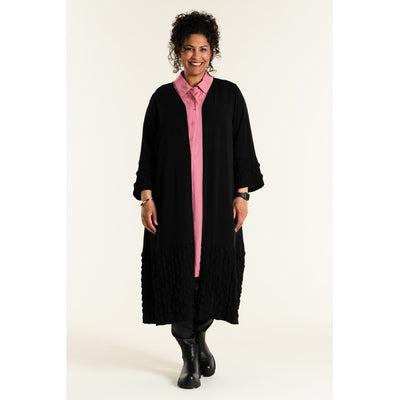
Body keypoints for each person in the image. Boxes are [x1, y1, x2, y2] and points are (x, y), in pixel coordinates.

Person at [133, 10, 264, 389]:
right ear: (178, 50)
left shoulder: (229, 96)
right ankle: (188, 353)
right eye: (189, 48)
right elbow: (148, 153)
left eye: (203, 49)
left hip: (217, 207)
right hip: (172, 208)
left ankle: (200, 337)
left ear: (212, 51)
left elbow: (243, 149)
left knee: (210, 277)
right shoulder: (162, 99)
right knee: (178, 279)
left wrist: (242, 195)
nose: (196, 56)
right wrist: (146, 198)